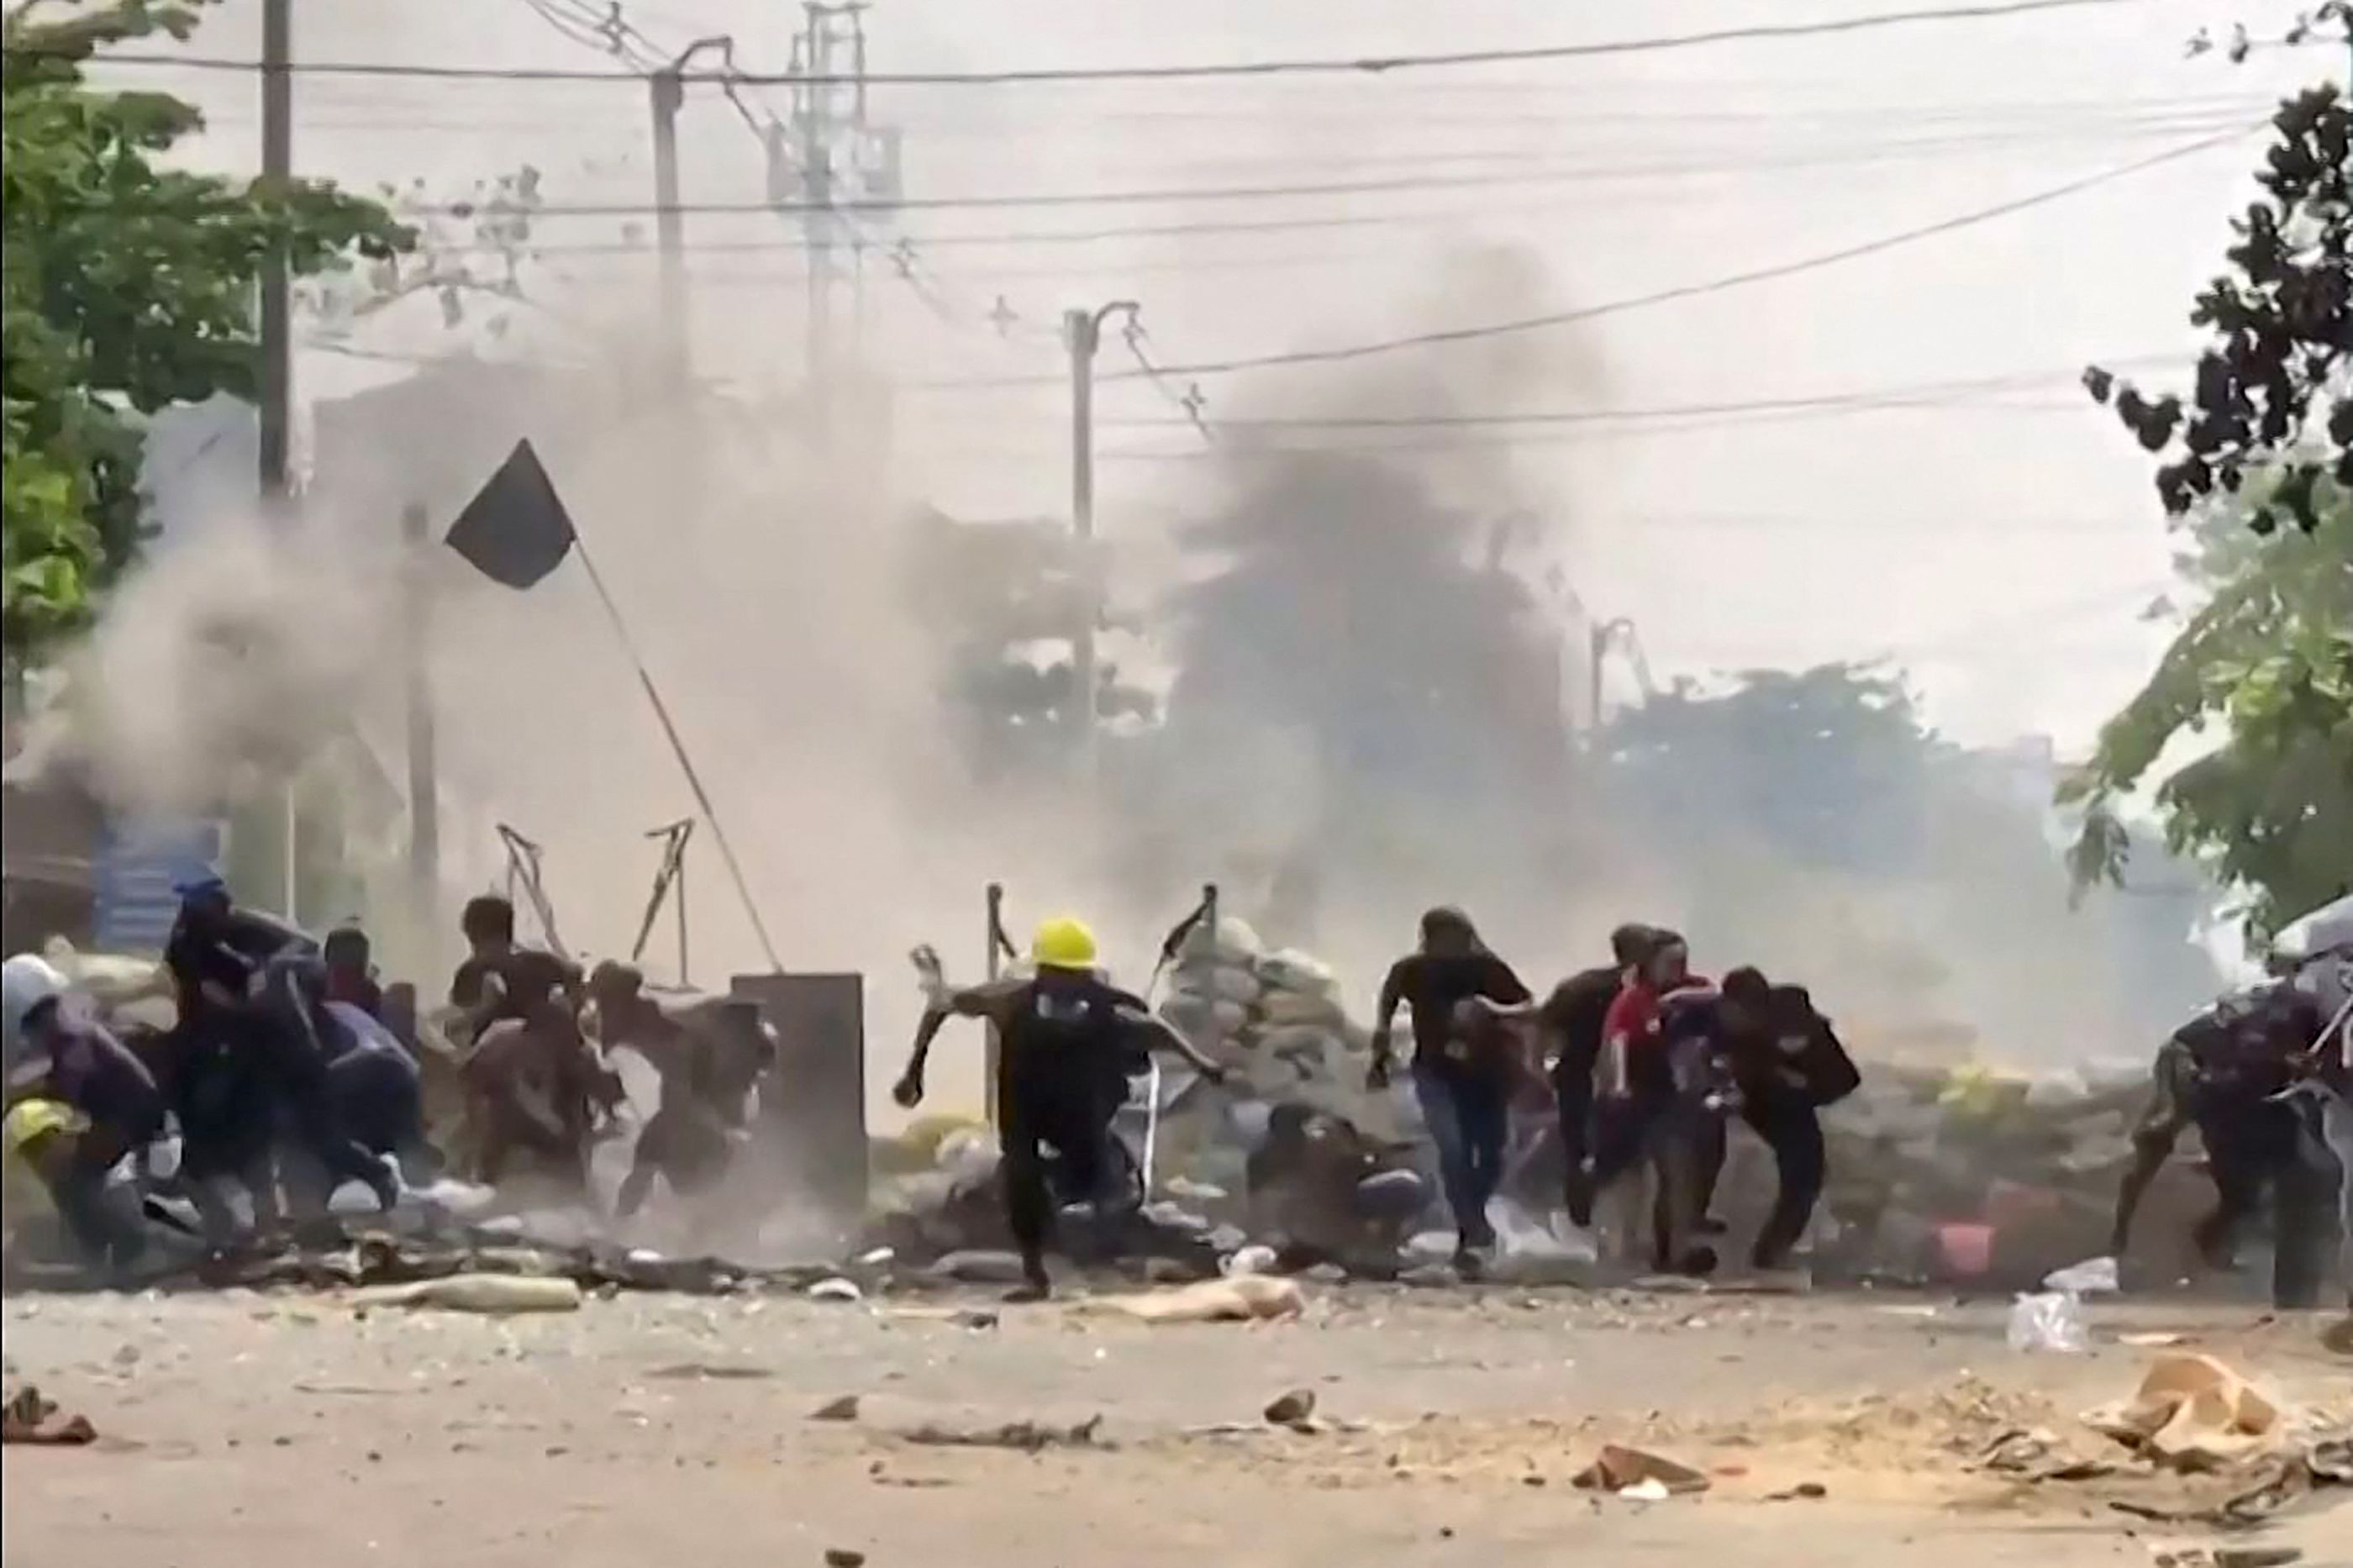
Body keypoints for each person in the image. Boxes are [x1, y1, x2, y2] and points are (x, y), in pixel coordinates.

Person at [891, 915, 1228, 1302]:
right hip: (1033, 1114)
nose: (1069, 988)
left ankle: (1088, 1260)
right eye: (1063, 977)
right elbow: (944, 1004)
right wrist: (914, 1071)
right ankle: (1038, 1274)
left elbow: (1155, 1030)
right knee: (1025, 1181)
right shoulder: (1017, 998)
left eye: (1075, 978)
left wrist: (1202, 1063)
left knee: (1097, 1186)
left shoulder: (1094, 1005)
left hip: (1073, 1117)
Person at [2113, 981, 2324, 1269]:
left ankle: (2218, 1235)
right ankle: (2120, 1231)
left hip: (2234, 1073)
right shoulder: (2288, 1005)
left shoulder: (2309, 1007)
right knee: (2162, 1133)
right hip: (2198, 1061)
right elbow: (2248, 1050)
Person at [1369, 907, 1534, 1273]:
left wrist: (1489, 1009)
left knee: (1491, 1155)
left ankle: (1473, 1218)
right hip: (1435, 1073)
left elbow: (1527, 1006)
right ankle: (1470, 1229)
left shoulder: (1487, 969)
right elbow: (1387, 1005)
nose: (1445, 946)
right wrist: (1379, 1056)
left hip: (1486, 1077)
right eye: (1437, 938)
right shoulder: (1412, 970)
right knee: (1452, 1149)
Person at [1711, 967, 1861, 1273]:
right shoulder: (1711, 1020)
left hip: (1786, 1105)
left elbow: (1844, 1079)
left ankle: (1769, 1254)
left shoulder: (1795, 1027)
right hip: (1743, 1099)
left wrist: (1801, 1085)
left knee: (1805, 1176)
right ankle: (1753, 1251)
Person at [1523, 924, 1657, 1226]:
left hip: (1581, 1074)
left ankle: (1585, 1212)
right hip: (1608, 1077)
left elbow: (1544, 1023)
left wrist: (1537, 1065)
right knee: (1618, 1150)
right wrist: (1537, 1065)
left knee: (1581, 1147)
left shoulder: (1582, 985)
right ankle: (1594, 1212)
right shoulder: (1639, 991)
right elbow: (1545, 1024)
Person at [3, 1096, 149, 1274]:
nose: (38, 1163)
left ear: (62, 1136)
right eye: (29, 1156)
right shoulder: (65, 1189)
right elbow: (85, 1248)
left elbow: (135, 1232)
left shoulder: (110, 1155)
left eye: (40, 1148)